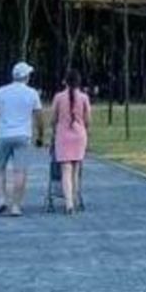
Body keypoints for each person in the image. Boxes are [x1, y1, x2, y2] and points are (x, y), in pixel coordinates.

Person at [0, 61, 45, 217]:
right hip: (23, 136)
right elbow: (39, 117)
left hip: (3, 135)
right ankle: (16, 206)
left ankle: (1, 199)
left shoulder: (0, 92)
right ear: (26, 77)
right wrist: (40, 136)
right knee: (20, 171)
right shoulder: (32, 93)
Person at [50, 69, 90, 214]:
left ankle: (69, 204)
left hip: (63, 136)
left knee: (65, 170)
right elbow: (88, 120)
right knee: (76, 170)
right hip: (79, 135)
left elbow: (53, 119)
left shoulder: (58, 97)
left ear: (65, 82)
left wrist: (53, 130)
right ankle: (75, 198)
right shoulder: (84, 97)